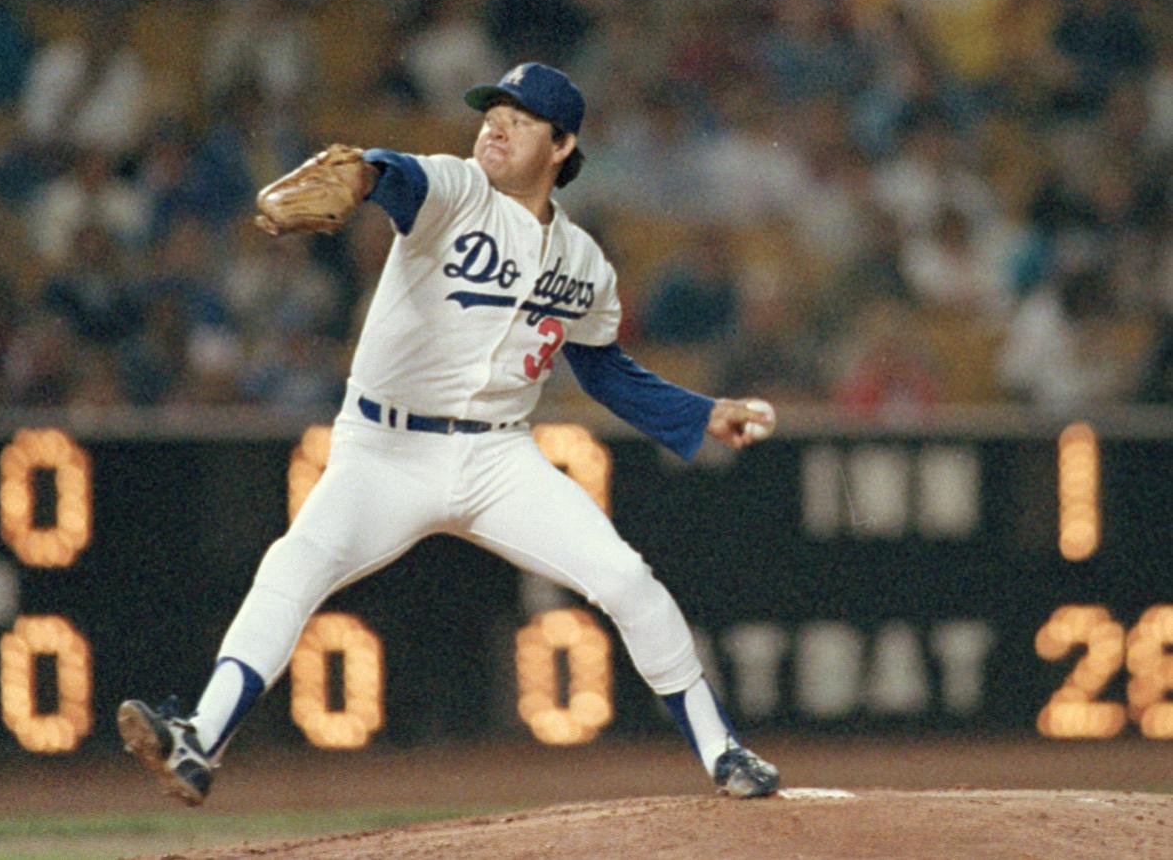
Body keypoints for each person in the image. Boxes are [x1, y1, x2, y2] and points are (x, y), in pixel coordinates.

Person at [117, 63, 780, 805]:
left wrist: (700, 412)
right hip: (383, 451)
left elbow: (604, 370)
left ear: (562, 144)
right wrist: (363, 174)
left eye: (520, 119)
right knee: (295, 562)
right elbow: (392, 174)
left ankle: (725, 753)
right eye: (491, 111)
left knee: (627, 579)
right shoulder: (458, 189)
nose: (495, 124)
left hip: (499, 456)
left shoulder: (584, 262)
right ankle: (200, 740)